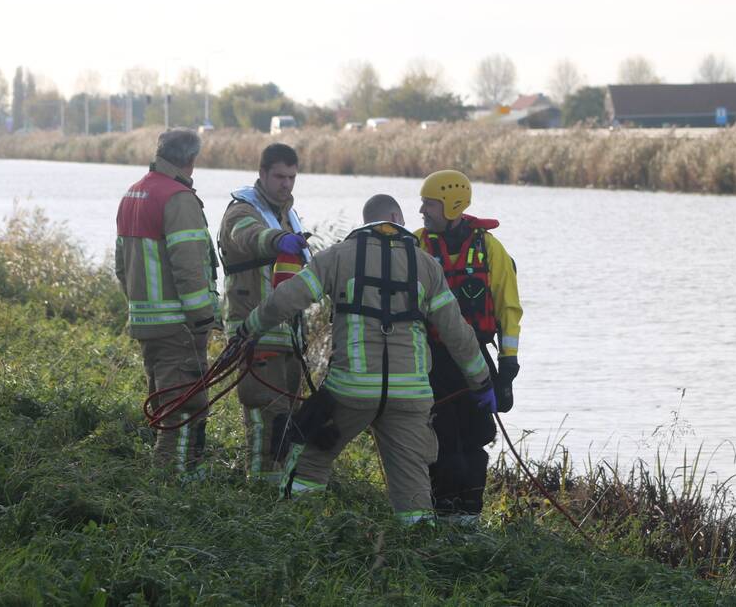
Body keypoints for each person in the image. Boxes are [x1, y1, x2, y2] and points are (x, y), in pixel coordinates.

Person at [234, 194, 494, 524]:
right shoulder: (427, 265)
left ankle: (296, 529)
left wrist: (249, 329)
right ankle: (417, 546)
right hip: (411, 393)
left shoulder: (339, 256)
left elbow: (286, 298)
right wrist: (481, 382)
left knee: (312, 456)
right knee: (412, 481)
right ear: (397, 217)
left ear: (365, 221)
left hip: (352, 387)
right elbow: (458, 333)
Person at [416, 169, 523, 524]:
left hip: (477, 360)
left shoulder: (490, 249)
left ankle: (469, 519)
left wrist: (507, 368)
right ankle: (444, 516)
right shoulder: (416, 244)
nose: (421, 211)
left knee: (476, 441)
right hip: (431, 361)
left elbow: (509, 308)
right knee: (442, 443)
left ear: (451, 205)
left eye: (428, 204)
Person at [115, 128, 219, 475]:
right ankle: (173, 487)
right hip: (179, 326)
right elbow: (189, 267)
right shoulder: (177, 198)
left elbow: (120, 264)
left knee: (164, 406)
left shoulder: (133, 194)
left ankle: (172, 482)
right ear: (192, 159)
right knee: (185, 409)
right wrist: (204, 318)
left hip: (146, 324)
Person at [218, 143, 311, 483]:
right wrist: (276, 241)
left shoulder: (289, 213)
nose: (286, 184)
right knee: (265, 415)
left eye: (291, 177)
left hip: (289, 336)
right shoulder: (242, 209)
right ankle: (259, 490)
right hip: (254, 332)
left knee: (290, 417)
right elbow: (246, 236)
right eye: (279, 176)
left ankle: (280, 487)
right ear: (262, 174)